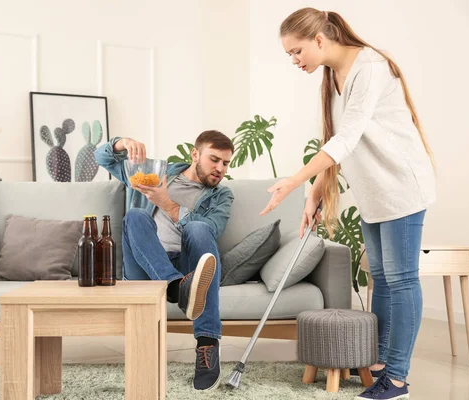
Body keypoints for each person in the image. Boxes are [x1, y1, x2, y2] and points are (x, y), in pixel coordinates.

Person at [261, 8, 436, 400]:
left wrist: (294, 180)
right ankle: (379, 366)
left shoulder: (370, 68)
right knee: (384, 280)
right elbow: (337, 143)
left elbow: (347, 137)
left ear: (319, 40)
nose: (294, 61)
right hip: (375, 191)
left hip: (402, 188)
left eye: (295, 51)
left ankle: (397, 379)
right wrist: (314, 195)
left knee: (402, 278)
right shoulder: (332, 77)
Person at [95, 130, 234, 391]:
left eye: (225, 163)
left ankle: (207, 345)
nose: (220, 169)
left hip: (189, 271)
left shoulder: (220, 196)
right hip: (145, 264)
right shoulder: (155, 173)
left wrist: (168, 204)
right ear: (195, 155)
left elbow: (212, 230)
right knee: (135, 215)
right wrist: (122, 143)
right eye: (214, 160)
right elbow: (102, 158)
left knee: (200, 229)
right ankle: (173, 286)